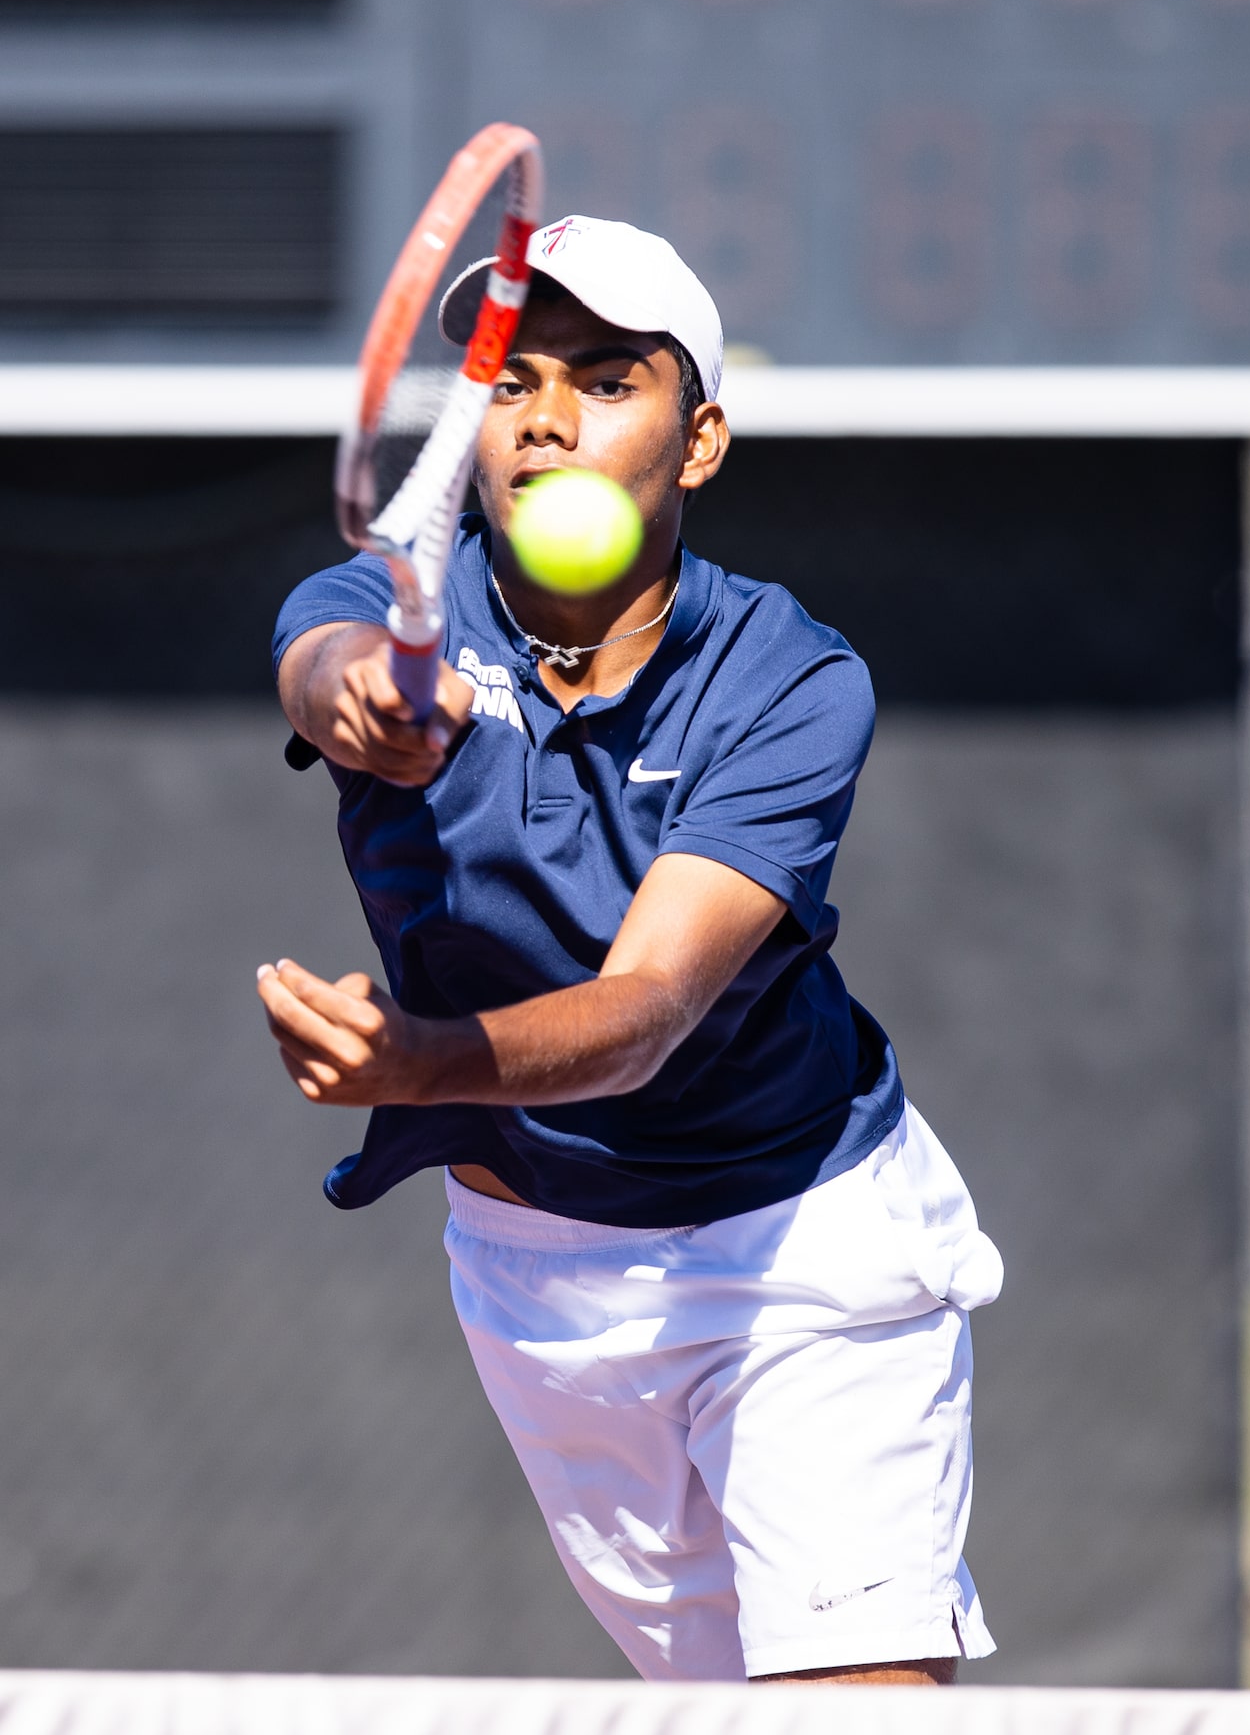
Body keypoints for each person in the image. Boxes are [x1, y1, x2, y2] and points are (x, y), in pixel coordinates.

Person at [258, 215, 1003, 1687]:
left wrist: (421, 1062)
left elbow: (652, 1007)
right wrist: (370, 705)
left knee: (854, 1697)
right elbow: (323, 666)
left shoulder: (793, 677)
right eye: (513, 381)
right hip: (539, 1266)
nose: (545, 419)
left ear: (701, 440)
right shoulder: (368, 607)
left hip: (803, 1237)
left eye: (605, 381)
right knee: (714, 1703)